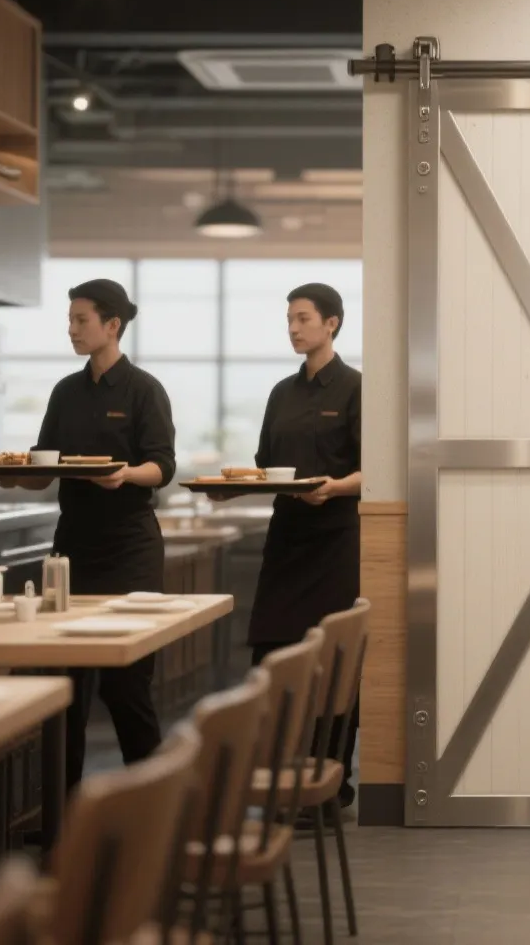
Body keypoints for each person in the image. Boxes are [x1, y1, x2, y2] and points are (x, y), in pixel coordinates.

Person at [0, 278, 176, 786]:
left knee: (126, 687)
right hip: (72, 548)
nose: (72, 329)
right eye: (71, 320)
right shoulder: (65, 391)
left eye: (82, 320)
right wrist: (15, 476)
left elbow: (162, 467)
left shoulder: (144, 389)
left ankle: (153, 804)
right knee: (66, 686)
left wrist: (123, 474)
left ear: (112, 325)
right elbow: (45, 467)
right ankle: (62, 815)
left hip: (129, 547)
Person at [236, 283, 363, 810]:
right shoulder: (280, 393)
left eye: (303, 318)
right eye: (289, 318)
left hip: (335, 540)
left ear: (331, 323)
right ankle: (277, 772)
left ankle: (330, 780)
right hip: (286, 537)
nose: (293, 327)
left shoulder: (356, 388)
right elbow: (266, 463)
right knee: (271, 652)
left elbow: (374, 469)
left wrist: (333, 488)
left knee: (332, 662)